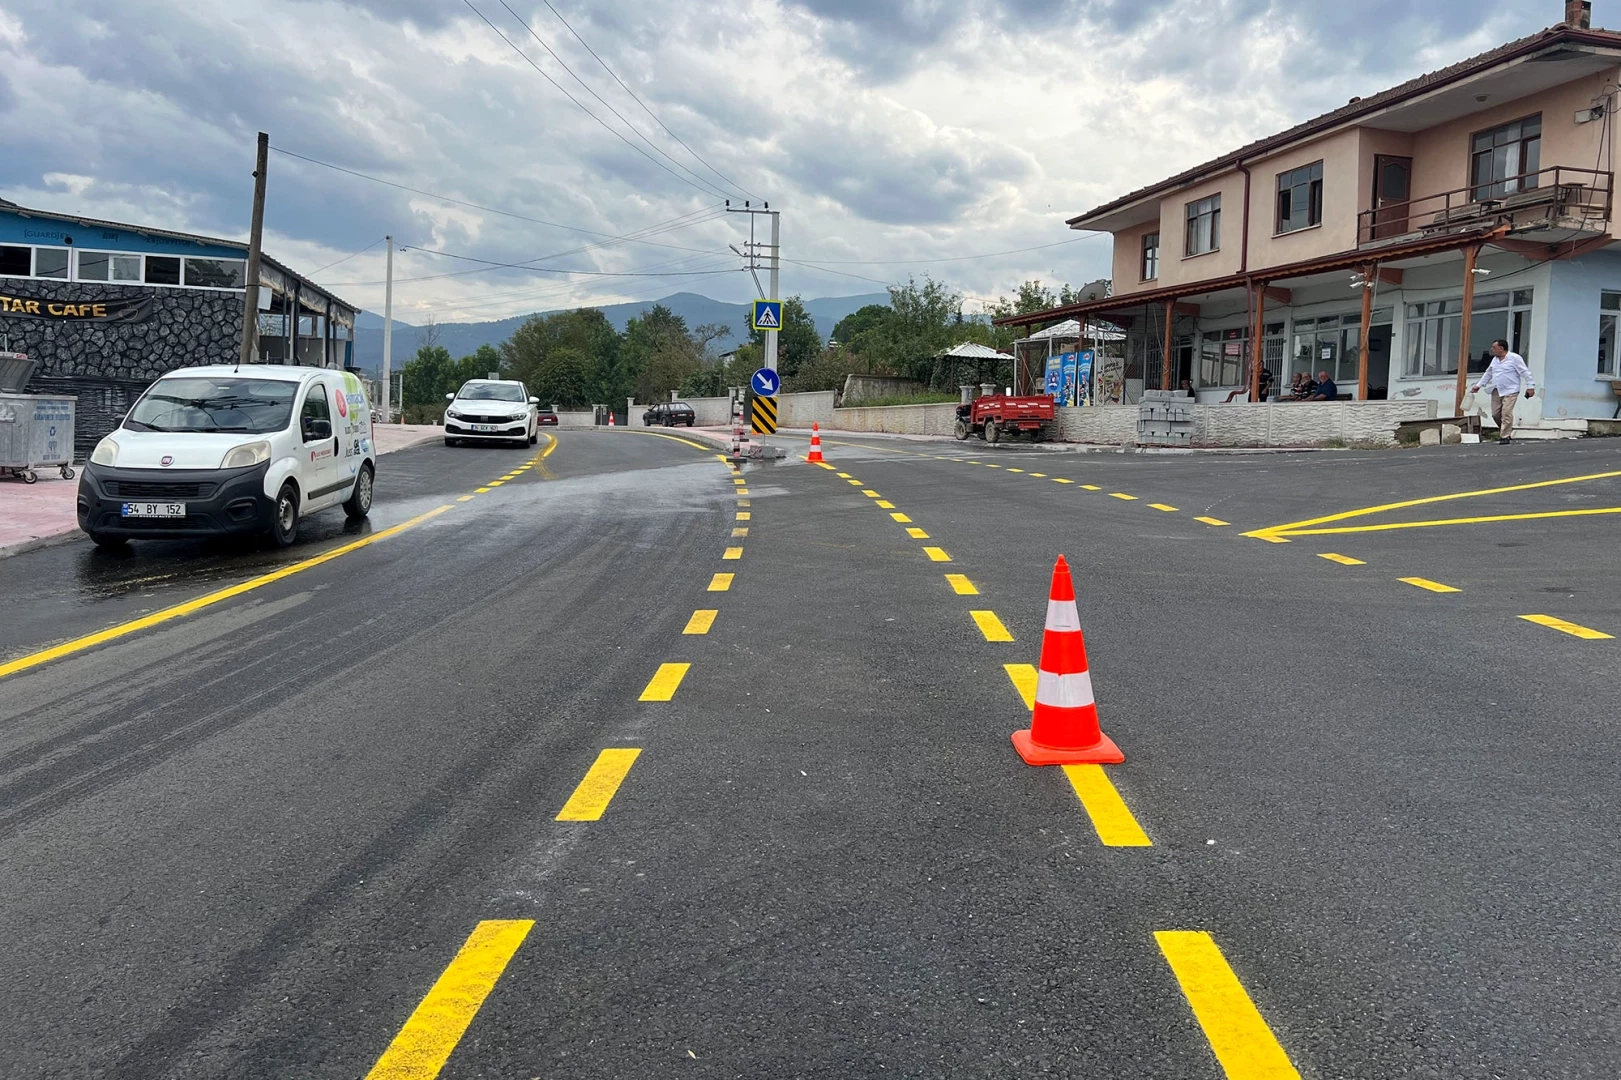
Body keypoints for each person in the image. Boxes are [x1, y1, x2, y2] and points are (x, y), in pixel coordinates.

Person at [1470, 338, 1535, 444]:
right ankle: (1505, 429)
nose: (1492, 350)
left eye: (1494, 348)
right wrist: (1479, 385)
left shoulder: (1514, 358)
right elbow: (1488, 373)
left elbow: (1525, 372)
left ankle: (1505, 436)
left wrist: (1530, 386)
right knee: (1495, 414)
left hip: (1511, 390)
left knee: (1506, 412)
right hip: (1496, 389)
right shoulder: (1495, 360)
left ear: (1501, 348)